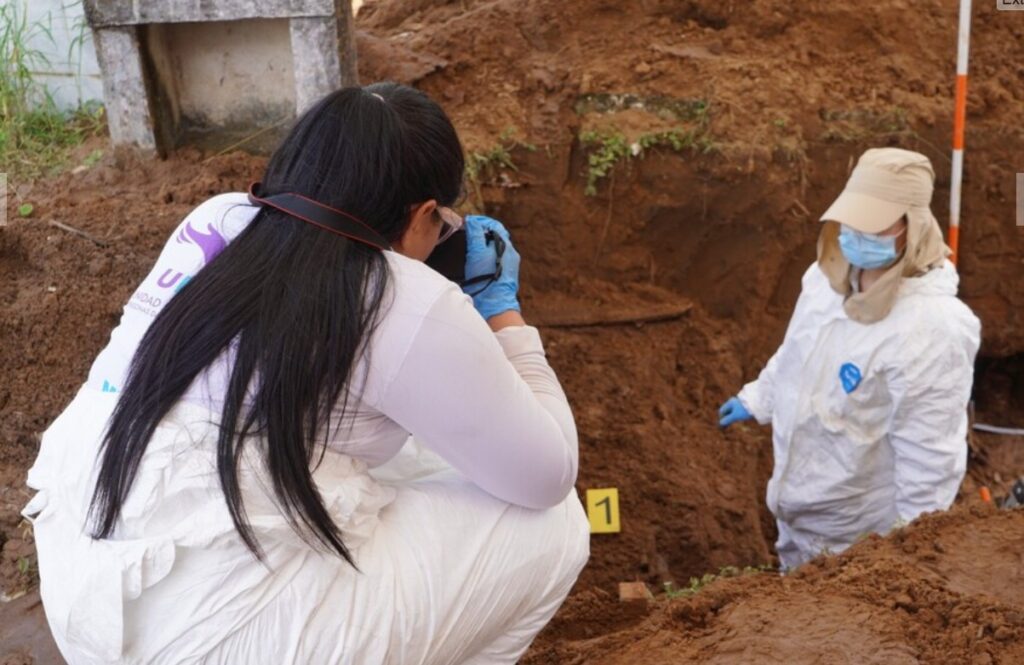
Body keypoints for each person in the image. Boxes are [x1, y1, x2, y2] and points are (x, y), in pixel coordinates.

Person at [24, 83, 589, 664]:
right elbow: (547, 475)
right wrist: (501, 314)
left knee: (406, 450)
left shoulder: (217, 219)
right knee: (553, 526)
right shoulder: (405, 297)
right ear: (423, 213)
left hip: (88, 593)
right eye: (441, 224)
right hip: (217, 638)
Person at [718, 147, 980, 570]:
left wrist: (909, 550)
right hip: (798, 508)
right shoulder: (825, 278)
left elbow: (929, 456)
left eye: (872, 225)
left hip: (859, 536)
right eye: (852, 219)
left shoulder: (932, 329)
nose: (855, 233)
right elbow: (797, 351)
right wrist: (758, 397)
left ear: (912, 226)